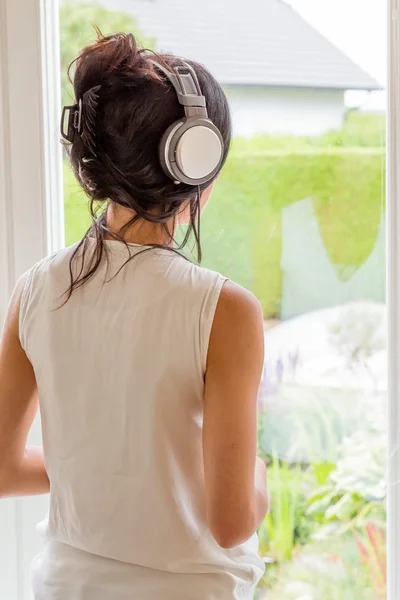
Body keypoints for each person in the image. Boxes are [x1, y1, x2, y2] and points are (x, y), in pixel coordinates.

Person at [0, 32, 268, 600]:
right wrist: (258, 480)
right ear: (197, 160)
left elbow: (0, 468)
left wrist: (100, 461)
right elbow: (232, 521)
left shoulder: (34, 291)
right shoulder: (225, 311)